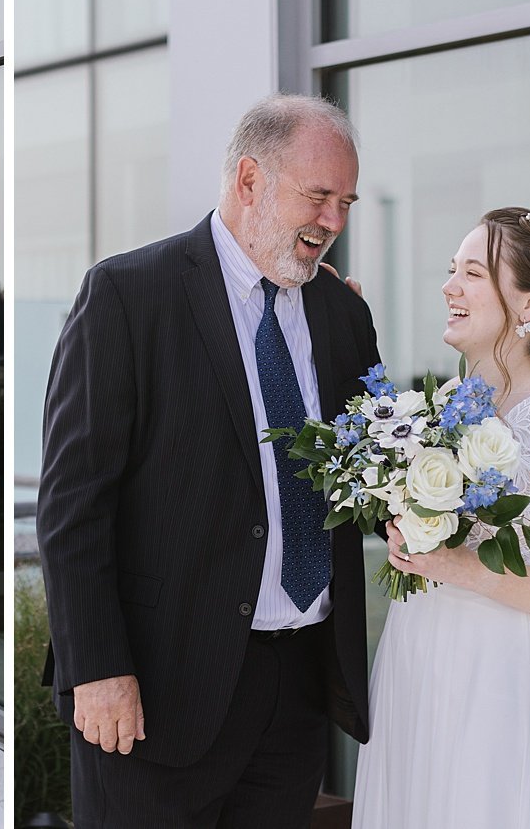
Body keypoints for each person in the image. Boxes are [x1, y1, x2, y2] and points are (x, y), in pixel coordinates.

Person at [37, 94, 380, 828]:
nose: (334, 223)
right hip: (154, 687)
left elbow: (366, 476)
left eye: (346, 202)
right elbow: (73, 506)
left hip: (298, 685)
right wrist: (95, 669)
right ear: (249, 180)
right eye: (318, 197)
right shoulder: (128, 294)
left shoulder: (343, 315)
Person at [353, 207, 530, 828]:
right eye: (451, 271)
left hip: (498, 680)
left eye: (473, 273)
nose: (449, 287)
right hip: (414, 661)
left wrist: (461, 567)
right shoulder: (441, 406)